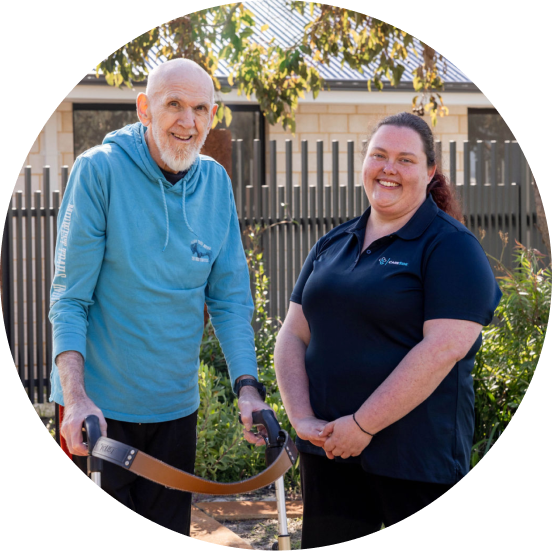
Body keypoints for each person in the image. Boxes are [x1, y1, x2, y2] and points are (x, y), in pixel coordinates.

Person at [49, 58, 270, 535]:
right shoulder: (99, 172)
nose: (188, 122)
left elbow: (230, 298)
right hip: (97, 412)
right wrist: (77, 397)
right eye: (174, 105)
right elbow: (69, 299)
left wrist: (248, 389)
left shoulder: (215, 183)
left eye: (200, 108)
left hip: (174, 410)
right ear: (145, 109)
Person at [274, 112, 502, 547]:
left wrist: (362, 425)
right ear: (364, 163)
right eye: (378, 155)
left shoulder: (451, 247)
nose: (389, 168)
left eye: (405, 159)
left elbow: (443, 349)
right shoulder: (332, 243)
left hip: (414, 463)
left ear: (430, 170)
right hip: (329, 454)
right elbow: (292, 334)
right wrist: (301, 417)